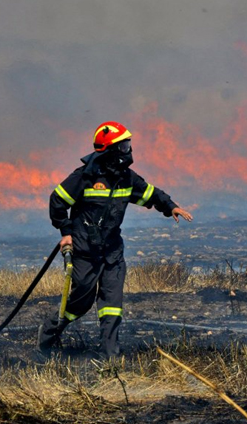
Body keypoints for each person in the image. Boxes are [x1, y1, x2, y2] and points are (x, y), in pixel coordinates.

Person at [38, 121, 193, 359]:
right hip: (85, 251)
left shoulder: (126, 178)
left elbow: (150, 193)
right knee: (80, 303)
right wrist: (66, 231)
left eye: (128, 145)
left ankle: (110, 359)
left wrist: (171, 207)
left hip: (112, 252)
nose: (128, 151)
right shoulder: (84, 177)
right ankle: (48, 336)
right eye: (123, 146)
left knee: (112, 307)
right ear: (110, 150)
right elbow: (57, 201)